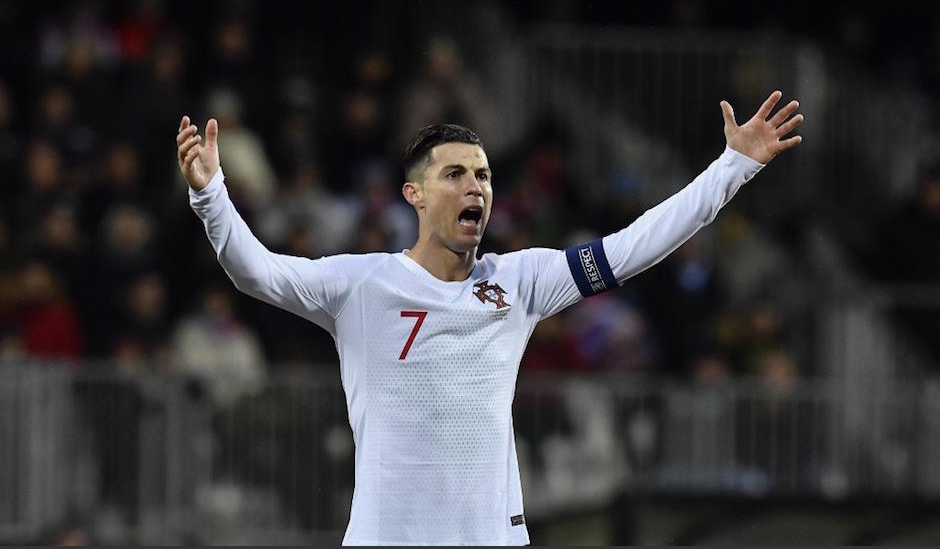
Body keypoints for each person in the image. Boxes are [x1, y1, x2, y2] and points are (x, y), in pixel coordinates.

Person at [176, 90, 803, 545]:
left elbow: (634, 246)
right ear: (414, 196)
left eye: (482, 174)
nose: (475, 186)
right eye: (454, 174)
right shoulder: (361, 285)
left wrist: (732, 167)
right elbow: (255, 271)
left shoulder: (521, 282)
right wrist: (211, 195)